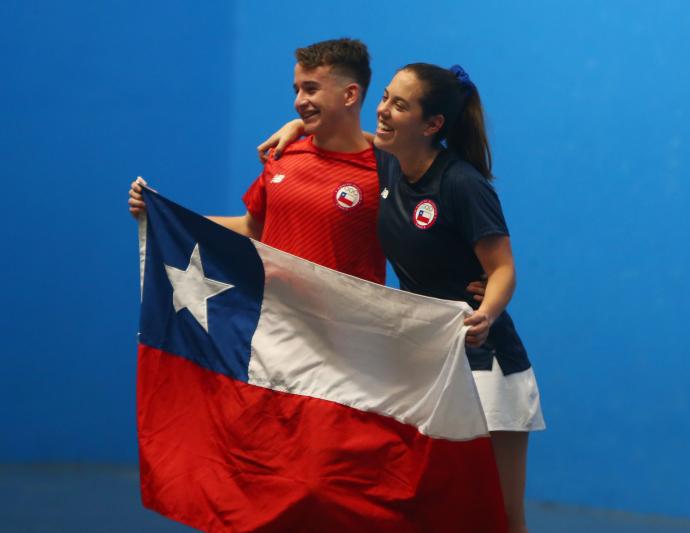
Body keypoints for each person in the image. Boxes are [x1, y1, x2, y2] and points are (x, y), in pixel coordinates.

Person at [261, 63, 545, 533]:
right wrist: (297, 125)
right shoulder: (389, 161)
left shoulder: (461, 184)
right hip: (425, 363)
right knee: (424, 507)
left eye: (400, 104)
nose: (384, 111)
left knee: (500, 517)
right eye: (386, 97)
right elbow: (349, 137)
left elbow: (503, 270)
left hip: (485, 364)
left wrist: (486, 315)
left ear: (433, 125)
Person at [129, 38, 384, 284]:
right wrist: (163, 216)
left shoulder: (387, 172)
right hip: (276, 324)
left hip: (345, 327)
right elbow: (250, 227)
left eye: (311, 89)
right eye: (296, 90)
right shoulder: (282, 155)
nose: (298, 102)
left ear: (350, 95)